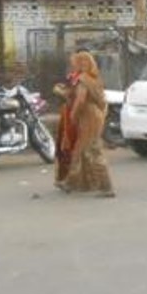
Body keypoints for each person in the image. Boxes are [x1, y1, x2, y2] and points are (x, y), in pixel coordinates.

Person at [55, 51, 114, 197]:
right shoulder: (94, 78)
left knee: (92, 150)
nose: (76, 65)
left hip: (89, 116)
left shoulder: (83, 79)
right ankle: (70, 182)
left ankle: (107, 187)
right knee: (82, 150)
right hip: (95, 115)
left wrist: (74, 115)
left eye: (80, 62)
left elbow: (81, 100)